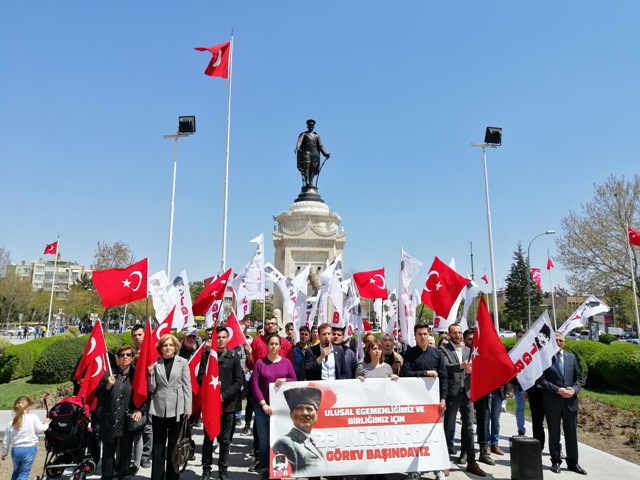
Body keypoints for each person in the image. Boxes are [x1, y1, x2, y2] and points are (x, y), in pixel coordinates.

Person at [403, 323, 447, 480]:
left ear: (429, 335)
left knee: (435, 435)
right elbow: (406, 373)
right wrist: (424, 373)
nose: (423, 337)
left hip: (434, 403)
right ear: (415, 336)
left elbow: (443, 377)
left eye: (425, 334)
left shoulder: (437, 354)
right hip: (416, 402)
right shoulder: (409, 354)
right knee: (416, 436)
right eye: (420, 334)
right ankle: (415, 469)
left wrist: (443, 399)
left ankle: (438, 469)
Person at [441, 324, 486, 477]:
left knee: (469, 428)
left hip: (467, 394)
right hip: (452, 394)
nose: (458, 335)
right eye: (455, 333)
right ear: (449, 334)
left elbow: (478, 367)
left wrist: (473, 369)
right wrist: (461, 366)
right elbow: (444, 368)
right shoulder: (444, 350)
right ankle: (444, 461)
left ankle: (471, 461)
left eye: (460, 332)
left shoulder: (469, 350)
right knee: (448, 427)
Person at [199, 327, 243, 480]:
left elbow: (239, 381)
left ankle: (222, 471)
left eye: (224, 337)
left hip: (227, 405)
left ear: (228, 339)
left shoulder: (234, 357)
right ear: (214, 339)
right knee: (208, 438)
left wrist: (224, 396)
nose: (221, 340)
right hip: (210, 405)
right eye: (218, 337)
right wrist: (211, 393)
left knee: (224, 440)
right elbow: (200, 378)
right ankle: (206, 470)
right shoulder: (206, 356)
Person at [97, 345, 147, 480]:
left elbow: (144, 394)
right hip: (110, 418)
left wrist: (140, 409)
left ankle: (123, 475)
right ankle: (106, 476)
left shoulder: (137, 374)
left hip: (127, 419)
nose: (125, 357)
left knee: (125, 451)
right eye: (122, 355)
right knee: (108, 452)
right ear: (118, 358)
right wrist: (107, 385)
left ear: (132, 358)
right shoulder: (109, 373)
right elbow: (98, 393)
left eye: (128, 355)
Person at [539, 333, 586, 475]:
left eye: (561, 340)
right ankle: (556, 461)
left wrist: (575, 390)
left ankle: (573, 463)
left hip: (570, 402)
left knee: (571, 433)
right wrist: (558, 390)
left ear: (564, 342)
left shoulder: (571, 357)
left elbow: (579, 378)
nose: (558, 342)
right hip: (553, 402)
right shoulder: (545, 359)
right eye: (556, 340)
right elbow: (541, 380)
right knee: (554, 433)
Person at [251, 334, 296, 480]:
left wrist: (285, 380)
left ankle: (281, 468)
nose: (274, 346)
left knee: (281, 439)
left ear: (280, 346)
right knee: (264, 440)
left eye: (276, 344)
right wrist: (263, 404)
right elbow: (255, 385)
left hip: (282, 409)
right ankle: (265, 468)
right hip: (263, 408)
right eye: (271, 344)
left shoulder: (286, 363)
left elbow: (294, 380)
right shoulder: (259, 363)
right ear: (267, 345)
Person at [147, 334, 192, 480]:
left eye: (170, 345)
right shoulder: (156, 363)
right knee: (158, 445)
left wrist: (188, 408)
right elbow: (152, 388)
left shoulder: (183, 362)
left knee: (174, 445)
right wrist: (150, 374)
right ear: (161, 348)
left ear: (175, 347)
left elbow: (187, 385)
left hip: (177, 409)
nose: (168, 348)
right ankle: (157, 476)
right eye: (165, 345)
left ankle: (173, 476)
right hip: (158, 408)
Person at [272, 387, 325, 474]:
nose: (305, 413)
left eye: (309, 409)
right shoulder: (284, 442)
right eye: (299, 408)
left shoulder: (314, 441)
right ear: (291, 415)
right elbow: (281, 473)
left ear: (316, 415)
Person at [2, 396, 50, 480]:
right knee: (23, 473)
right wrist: (46, 423)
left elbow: (6, 440)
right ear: (29, 407)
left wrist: (4, 452)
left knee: (16, 472)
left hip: (16, 450)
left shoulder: (11, 423)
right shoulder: (33, 417)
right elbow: (40, 429)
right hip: (29, 449)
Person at [295, 119, 331, 187]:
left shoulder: (317, 135)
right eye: (309, 125)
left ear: (313, 126)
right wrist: (297, 147)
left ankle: (311, 182)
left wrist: (325, 153)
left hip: (315, 153)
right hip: (306, 152)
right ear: (307, 126)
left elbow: (320, 146)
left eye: (312, 125)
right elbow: (300, 141)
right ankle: (307, 181)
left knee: (313, 167)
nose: (311, 126)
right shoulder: (304, 134)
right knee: (307, 166)